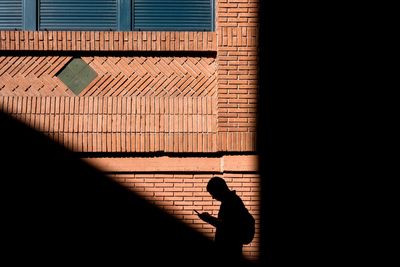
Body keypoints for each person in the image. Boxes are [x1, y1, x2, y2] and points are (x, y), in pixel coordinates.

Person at [195, 176, 249, 263]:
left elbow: (227, 227)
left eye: (213, 193)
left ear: (219, 190)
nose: (213, 197)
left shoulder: (231, 202)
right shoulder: (231, 201)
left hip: (229, 251)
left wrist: (208, 218)